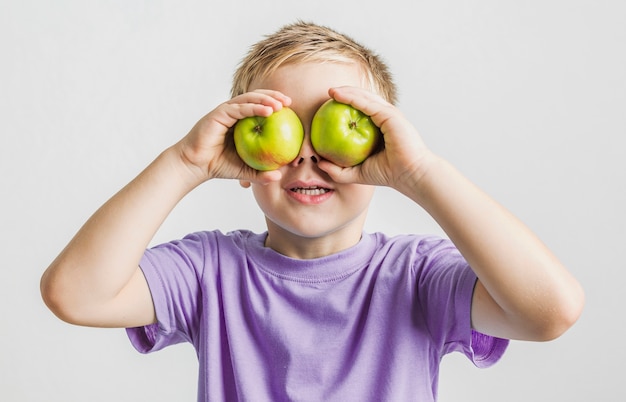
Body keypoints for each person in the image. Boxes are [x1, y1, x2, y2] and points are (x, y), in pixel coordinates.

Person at [40, 21, 585, 401]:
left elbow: (550, 311)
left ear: (380, 145)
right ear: (239, 149)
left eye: (333, 125)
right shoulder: (209, 271)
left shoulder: (417, 276)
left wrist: (420, 175)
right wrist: (185, 162)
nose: (304, 154)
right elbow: (74, 293)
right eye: (286, 128)